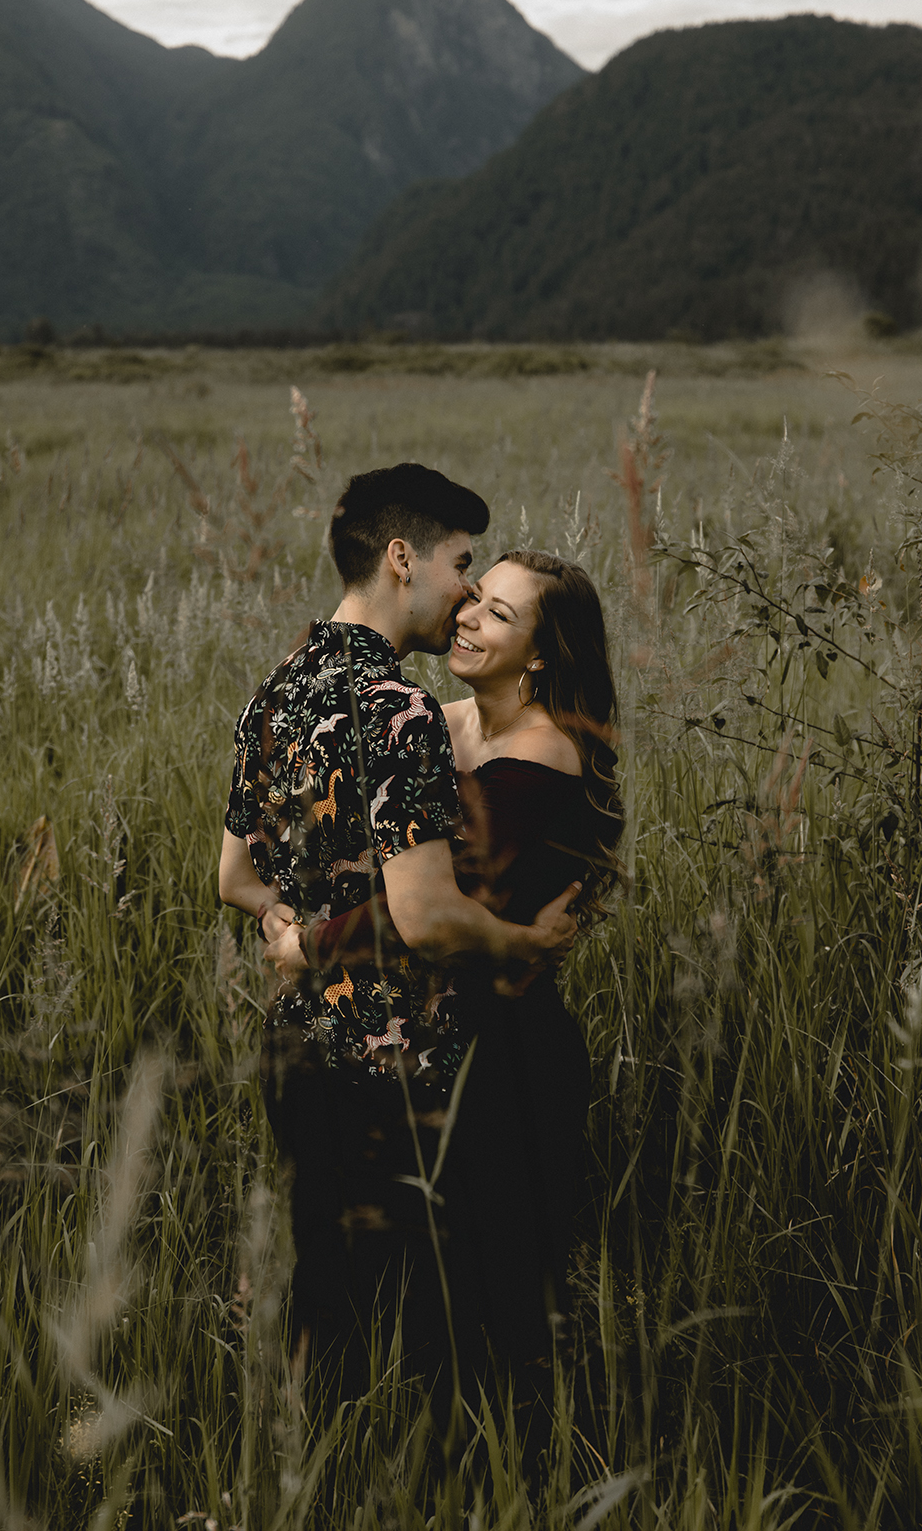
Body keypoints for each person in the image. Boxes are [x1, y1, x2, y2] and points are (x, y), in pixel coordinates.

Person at [217, 465, 581, 1405]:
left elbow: (232, 879)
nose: (466, 588)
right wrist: (519, 944)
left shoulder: (276, 690)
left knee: (328, 1294)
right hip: (402, 1062)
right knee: (433, 1331)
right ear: (401, 557)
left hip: (297, 1043)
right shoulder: (399, 708)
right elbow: (421, 916)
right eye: (462, 563)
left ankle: (315, 1464)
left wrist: (286, 928)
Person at [284, 549, 623, 1426]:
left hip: (501, 1060)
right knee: (388, 1293)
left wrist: (305, 943)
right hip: (406, 1043)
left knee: (490, 1319)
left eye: (500, 616)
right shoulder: (434, 719)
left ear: (541, 656)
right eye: (475, 598)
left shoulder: (545, 759)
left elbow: (424, 910)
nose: (468, 617)